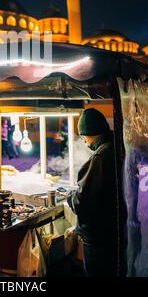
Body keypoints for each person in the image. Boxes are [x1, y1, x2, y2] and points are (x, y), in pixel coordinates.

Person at [63, 108, 126, 277]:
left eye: (83, 137)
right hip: (114, 232)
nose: (84, 142)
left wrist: (69, 196)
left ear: (88, 133)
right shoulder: (117, 145)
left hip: (99, 240)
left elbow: (82, 203)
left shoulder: (100, 157)